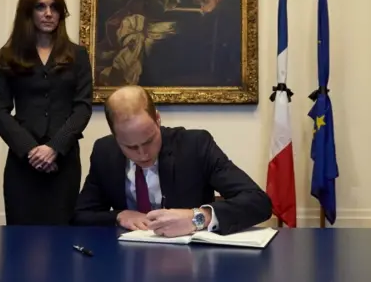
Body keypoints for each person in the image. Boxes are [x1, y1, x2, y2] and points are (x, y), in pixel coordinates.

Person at [72, 85, 272, 236]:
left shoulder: (195, 145)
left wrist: (197, 217)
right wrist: (119, 215)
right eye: (130, 147)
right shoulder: (104, 151)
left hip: (189, 263)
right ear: (115, 136)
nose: (142, 153)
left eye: (149, 140)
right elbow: (81, 215)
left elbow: (258, 202)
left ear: (158, 119)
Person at [0, 0, 93, 225]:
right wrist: (30, 150)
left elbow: (83, 107)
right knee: (21, 243)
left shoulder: (77, 55)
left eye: (54, 7)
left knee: (61, 238)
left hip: (63, 162)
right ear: (28, 12)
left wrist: (54, 148)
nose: (48, 13)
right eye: (40, 7)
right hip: (22, 163)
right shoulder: (9, 56)